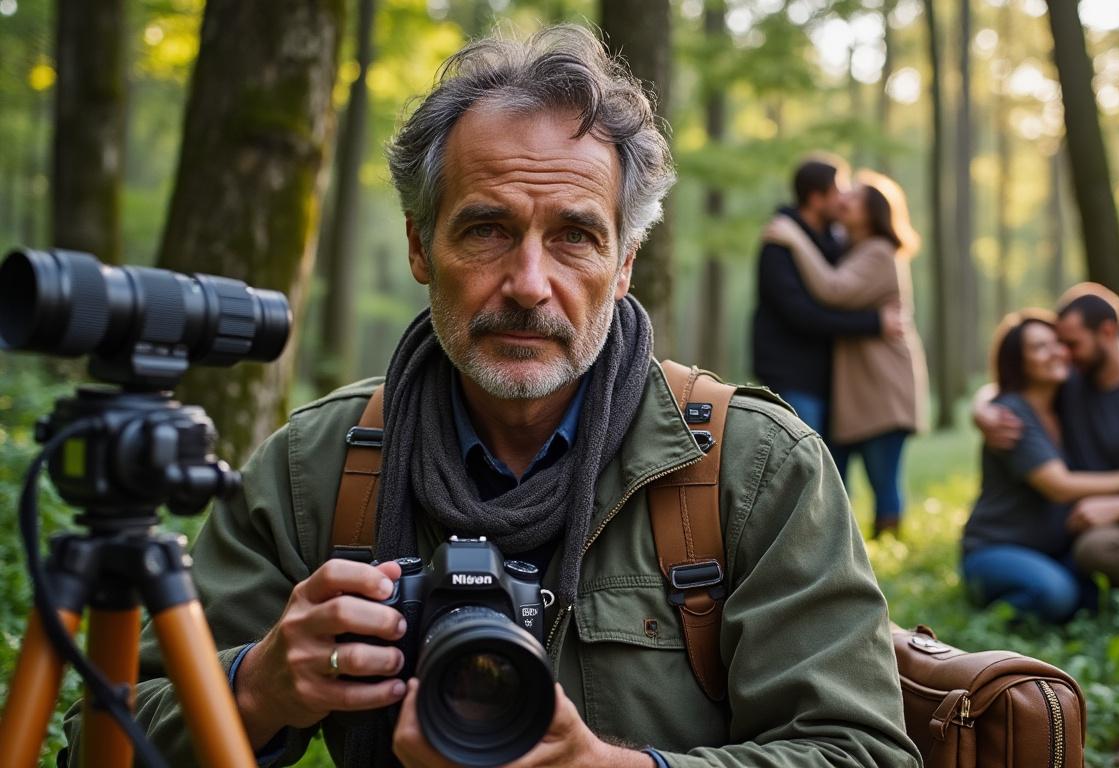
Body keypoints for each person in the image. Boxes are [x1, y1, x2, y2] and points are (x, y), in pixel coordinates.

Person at [63, 26, 921, 768]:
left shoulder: (749, 467)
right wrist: (260, 684)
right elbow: (100, 738)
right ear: (419, 245)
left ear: (624, 265)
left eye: (576, 236)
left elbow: (862, 748)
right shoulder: (318, 466)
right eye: (486, 229)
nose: (528, 284)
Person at [974, 284, 1119, 607]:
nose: (1065, 354)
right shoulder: (1072, 382)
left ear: (1107, 331)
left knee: (1094, 550)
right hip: (1066, 528)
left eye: (1071, 344)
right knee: (1072, 589)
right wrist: (981, 411)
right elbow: (1013, 386)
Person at [760, 171, 928, 537]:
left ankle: (893, 546)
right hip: (862, 388)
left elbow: (834, 289)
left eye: (852, 200)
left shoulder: (880, 252)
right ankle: (854, 549)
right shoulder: (851, 247)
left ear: (870, 214)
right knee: (845, 473)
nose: (843, 202)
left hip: (883, 388)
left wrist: (795, 238)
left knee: (883, 479)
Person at [961, 310, 1119, 623]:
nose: (1056, 353)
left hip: (1051, 552)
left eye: (1058, 343)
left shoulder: (1066, 402)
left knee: (1105, 595)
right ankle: (990, 611)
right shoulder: (1011, 415)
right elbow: (1059, 486)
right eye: (1039, 347)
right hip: (994, 549)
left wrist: (979, 404)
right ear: (1018, 362)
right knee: (1056, 594)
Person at [750, 157, 902, 450]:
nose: (845, 198)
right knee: (804, 467)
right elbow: (802, 315)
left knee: (828, 476)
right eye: (839, 191)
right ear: (817, 199)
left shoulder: (834, 240)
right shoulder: (778, 243)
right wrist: (874, 323)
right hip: (792, 376)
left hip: (830, 381)